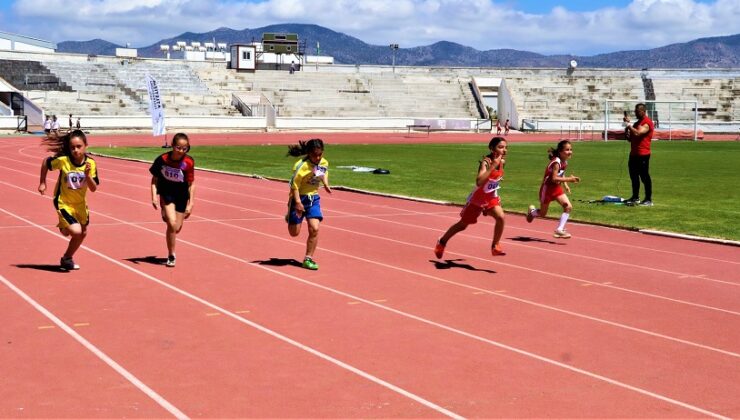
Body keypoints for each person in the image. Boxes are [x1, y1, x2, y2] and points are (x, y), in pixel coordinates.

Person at [434, 137, 508, 258]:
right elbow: (479, 182)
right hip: (477, 199)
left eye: (506, 147)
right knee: (462, 225)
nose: (504, 150)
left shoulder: (502, 162)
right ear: (492, 148)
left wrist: (497, 178)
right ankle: (442, 241)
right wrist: (493, 166)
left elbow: (495, 177)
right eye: (500, 147)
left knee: (501, 217)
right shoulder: (487, 162)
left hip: (490, 198)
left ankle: (495, 246)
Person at [37, 130, 99, 271]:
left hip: (80, 204)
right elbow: (46, 162)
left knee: (82, 233)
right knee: (75, 232)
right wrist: (42, 182)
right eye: (72, 147)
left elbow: (94, 188)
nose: (76, 150)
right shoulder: (63, 160)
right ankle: (63, 225)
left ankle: (67, 258)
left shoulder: (91, 163)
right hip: (63, 201)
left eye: (79, 146)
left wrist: (88, 176)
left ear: (86, 146)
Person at [149, 133, 195, 268]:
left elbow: (192, 184)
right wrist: (153, 197)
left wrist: (191, 204)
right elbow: (154, 180)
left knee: (177, 228)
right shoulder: (162, 159)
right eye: (178, 147)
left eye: (184, 148)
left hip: (181, 195)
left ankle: (167, 215)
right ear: (172, 146)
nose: (181, 151)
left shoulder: (188, 162)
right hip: (166, 193)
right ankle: (171, 255)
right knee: (171, 223)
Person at [286, 138, 331, 270]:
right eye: (314, 155)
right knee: (294, 233)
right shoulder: (300, 166)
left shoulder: (323, 162)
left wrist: (326, 184)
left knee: (315, 229)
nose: (317, 158)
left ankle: (308, 259)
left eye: (320, 154)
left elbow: (321, 172)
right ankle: (289, 214)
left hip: (313, 199)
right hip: (298, 198)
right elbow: (294, 186)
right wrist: (298, 203)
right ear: (308, 153)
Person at [526, 140, 580, 239]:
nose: (570, 152)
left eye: (571, 149)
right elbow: (554, 178)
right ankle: (532, 212)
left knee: (568, 207)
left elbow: (561, 173)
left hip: (556, 188)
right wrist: (570, 179)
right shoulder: (556, 162)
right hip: (547, 189)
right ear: (560, 151)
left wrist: (566, 185)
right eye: (567, 150)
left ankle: (559, 229)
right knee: (543, 213)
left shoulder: (564, 162)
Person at [623, 103, 654, 206]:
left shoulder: (647, 123)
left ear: (643, 111)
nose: (635, 113)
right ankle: (635, 197)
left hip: (643, 154)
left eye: (637, 112)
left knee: (644, 177)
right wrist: (627, 129)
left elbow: (638, 133)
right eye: (635, 111)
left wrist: (629, 125)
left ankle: (648, 199)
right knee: (634, 176)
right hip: (634, 154)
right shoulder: (636, 124)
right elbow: (630, 138)